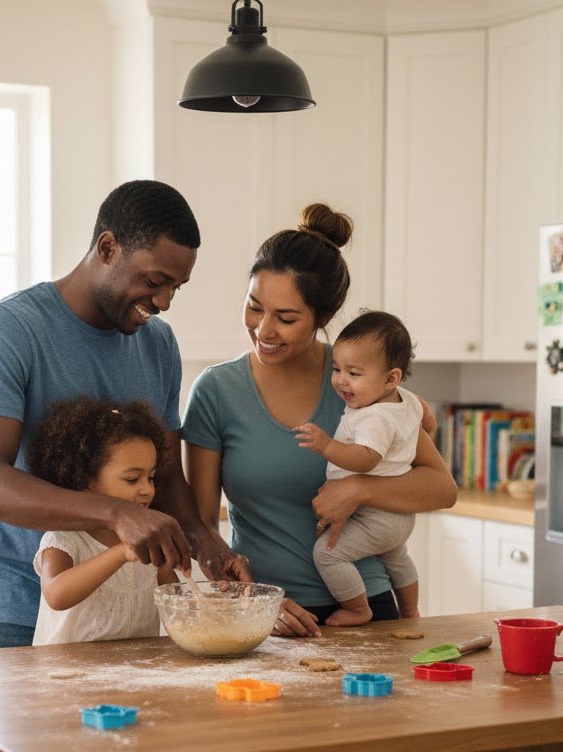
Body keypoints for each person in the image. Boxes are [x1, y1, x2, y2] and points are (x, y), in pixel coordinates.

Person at [0, 179, 248, 649]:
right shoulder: (9, 330)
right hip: (23, 614)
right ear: (107, 247)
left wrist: (203, 539)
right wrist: (117, 514)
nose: (165, 301)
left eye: (176, 286)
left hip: (129, 620)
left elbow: (167, 477)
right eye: (155, 281)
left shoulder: (159, 345)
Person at [182, 203, 457, 638]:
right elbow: (199, 528)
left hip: (369, 606)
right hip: (271, 616)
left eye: (286, 318)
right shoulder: (216, 391)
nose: (263, 330)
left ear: (323, 318)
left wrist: (358, 487)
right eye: (255, 307)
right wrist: (254, 601)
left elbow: (442, 489)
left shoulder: (360, 384)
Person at [294, 310, 421, 626]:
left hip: (376, 515)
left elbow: (366, 458)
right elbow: (422, 418)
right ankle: (410, 610)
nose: (340, 380)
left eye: (353, 373)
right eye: (337, 369)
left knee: (328, 554)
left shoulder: (373, 416)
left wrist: (326, 445)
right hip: (397, 514)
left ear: (390, 378)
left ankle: (356, 608)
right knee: (397, 557)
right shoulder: (404, 400)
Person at [27, 397, 179, 645]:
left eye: (150, 478)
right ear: (86, 479)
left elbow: (174, 601)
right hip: (68, 677)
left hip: (135, 673)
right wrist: (121, 553)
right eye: (132, 479)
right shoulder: (64, 539)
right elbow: (56, 594)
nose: (147, 490)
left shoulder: (150, 538)